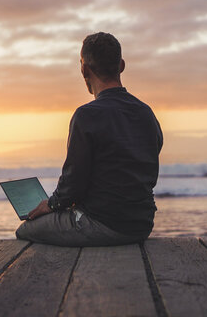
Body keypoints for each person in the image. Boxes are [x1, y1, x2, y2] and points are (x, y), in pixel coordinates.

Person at [16, 32, 163, 246]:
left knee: (25, 230)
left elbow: (74, 182)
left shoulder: (87, 115)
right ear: (121, 65)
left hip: (103, 224)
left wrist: (52, 204)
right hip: (142, 225)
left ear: (84, 69)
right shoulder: (146, 113)